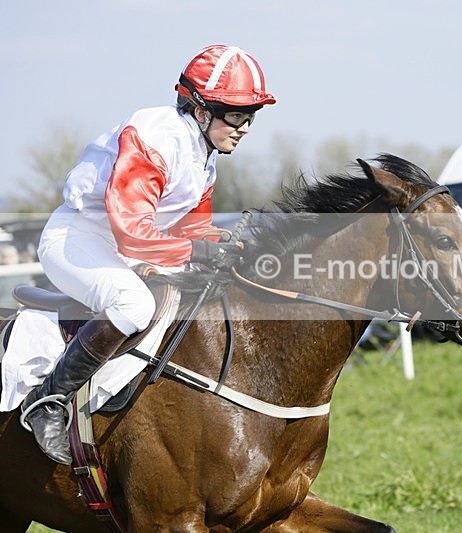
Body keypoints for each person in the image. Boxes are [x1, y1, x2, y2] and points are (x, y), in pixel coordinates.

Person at [20, 45, 276, 464]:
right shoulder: (154, 137)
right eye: (236, 114)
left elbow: (190, 230)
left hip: (125, 242)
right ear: (199, 109)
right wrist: (200, 248)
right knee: (134, 304)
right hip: (80, 238)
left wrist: (230, 245)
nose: (245, 126)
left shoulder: (204, 158)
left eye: (251, 116)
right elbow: (133, 235)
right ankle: (47, 400)